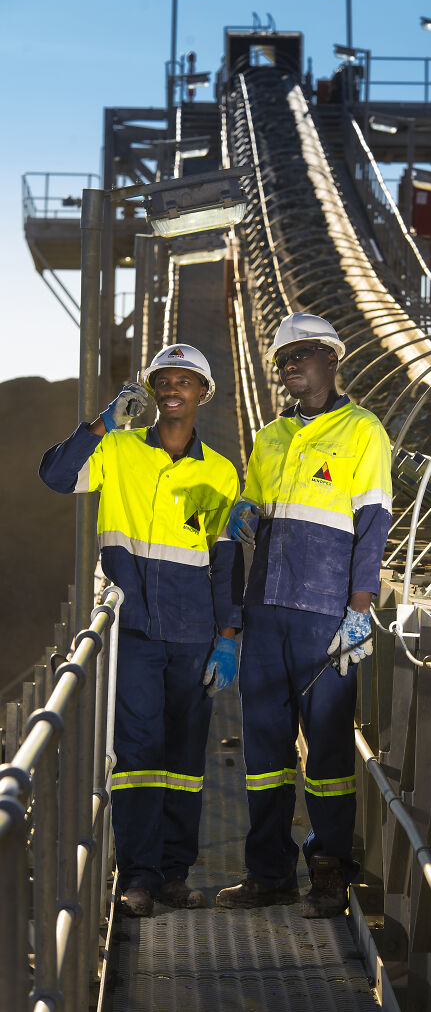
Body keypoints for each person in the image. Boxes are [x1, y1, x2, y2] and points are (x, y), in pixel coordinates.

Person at [39, 344, 244, 918]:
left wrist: (229, 636)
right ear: (152, 391)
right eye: (164, 380)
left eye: (185, 380)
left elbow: (226, 560)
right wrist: (103, 420)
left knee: (184, 761)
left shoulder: (221, 471)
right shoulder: (119, 450)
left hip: (195, 632)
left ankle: (176, 874)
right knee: (136, 757)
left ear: (203, 392)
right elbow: (56, 475)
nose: (173, 388)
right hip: (133, 630)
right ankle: (138, 877)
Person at [216, 312, 392, 918]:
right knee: (265, 754)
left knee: (328, 751)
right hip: (266, 609)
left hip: (325, 616)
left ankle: (327, 871)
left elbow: (372, 524)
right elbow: (254, 507)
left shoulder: (363, 430)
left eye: (304, 354)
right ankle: (268, 873)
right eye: (284, 358)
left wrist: (359, 610)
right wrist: (242, 509)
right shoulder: (269, 437)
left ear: (332, 359)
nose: (292, 364)